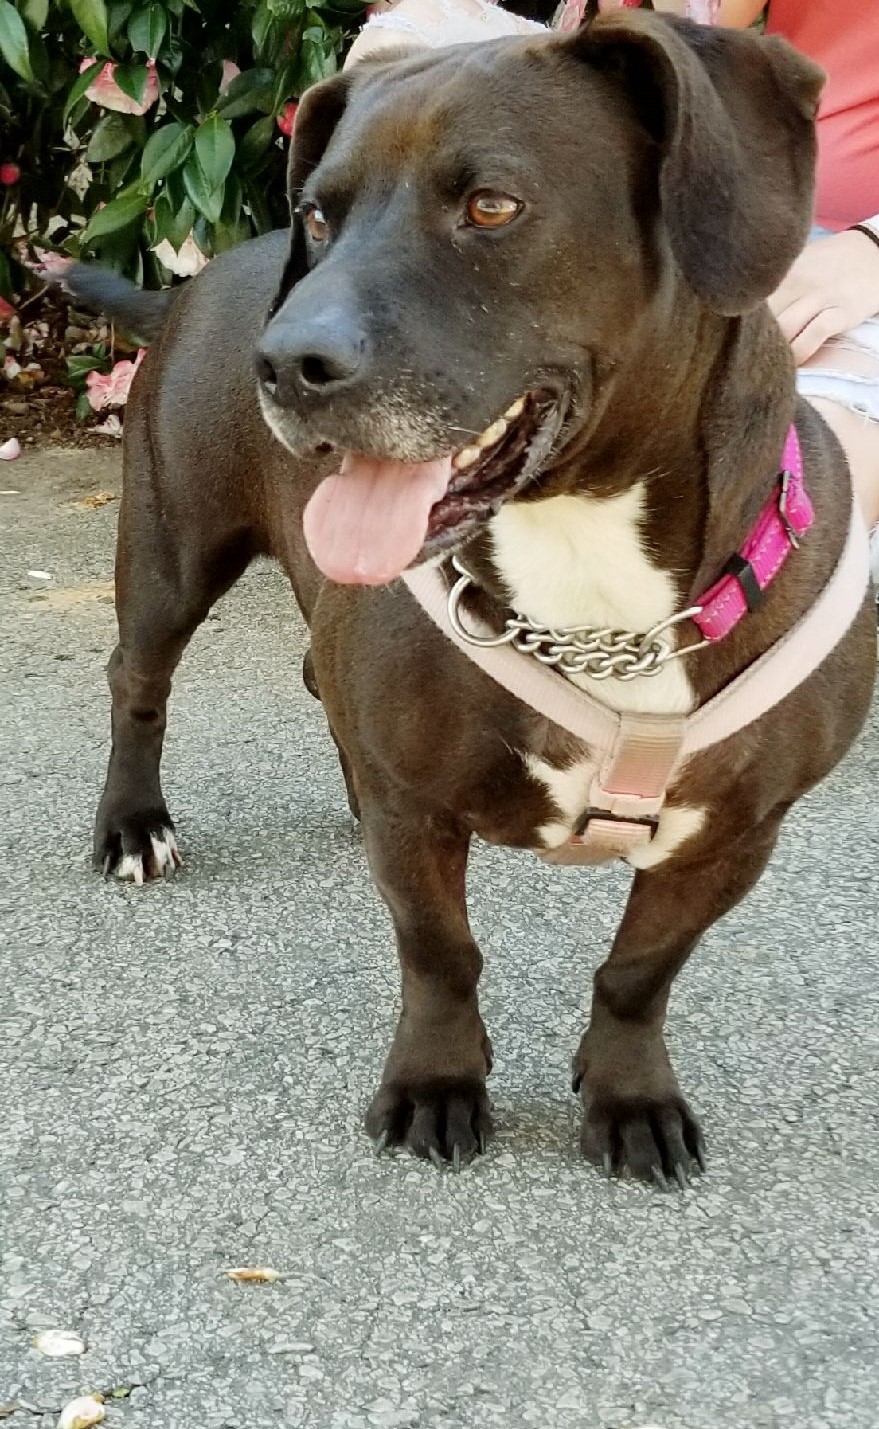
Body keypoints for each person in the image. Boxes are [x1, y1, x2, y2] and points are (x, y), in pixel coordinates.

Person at [346, 0, 879, 581]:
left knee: (818, 470)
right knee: (404, 37)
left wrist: (868, 253)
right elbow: (703, 29)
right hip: (734, 184)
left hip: (852, 260)